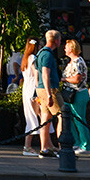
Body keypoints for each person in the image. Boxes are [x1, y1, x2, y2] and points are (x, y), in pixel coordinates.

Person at [34, 29, 62, 157]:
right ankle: (63, 148)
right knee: (62, 116)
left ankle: (44, 148)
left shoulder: (40, 53)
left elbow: (37, 74)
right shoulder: (48, 55)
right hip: (50, 89)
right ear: (56, 40)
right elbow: (45, 74)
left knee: (45, 118)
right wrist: (49, 94)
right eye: (60, 40)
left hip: (41, 89)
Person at [63, 37, 90, 154]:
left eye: (66, 47)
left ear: (71, 48)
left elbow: (77, 78)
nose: (64, 49)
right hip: (70, 94)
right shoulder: (71, 62)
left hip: (78, 93)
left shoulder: (78, 61)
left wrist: (64, 79)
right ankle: (76, 142)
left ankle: (85, 145)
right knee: (70, 118)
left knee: (79, 119)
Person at [19, 38, 41, 156]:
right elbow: (36, 72)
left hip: (27, 88)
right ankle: (28, 146)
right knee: (37, 116)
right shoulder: (33, 58)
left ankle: (45, 145)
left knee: (33, 116)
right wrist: (39, 88)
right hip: (33, 88)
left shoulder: (25, 58)